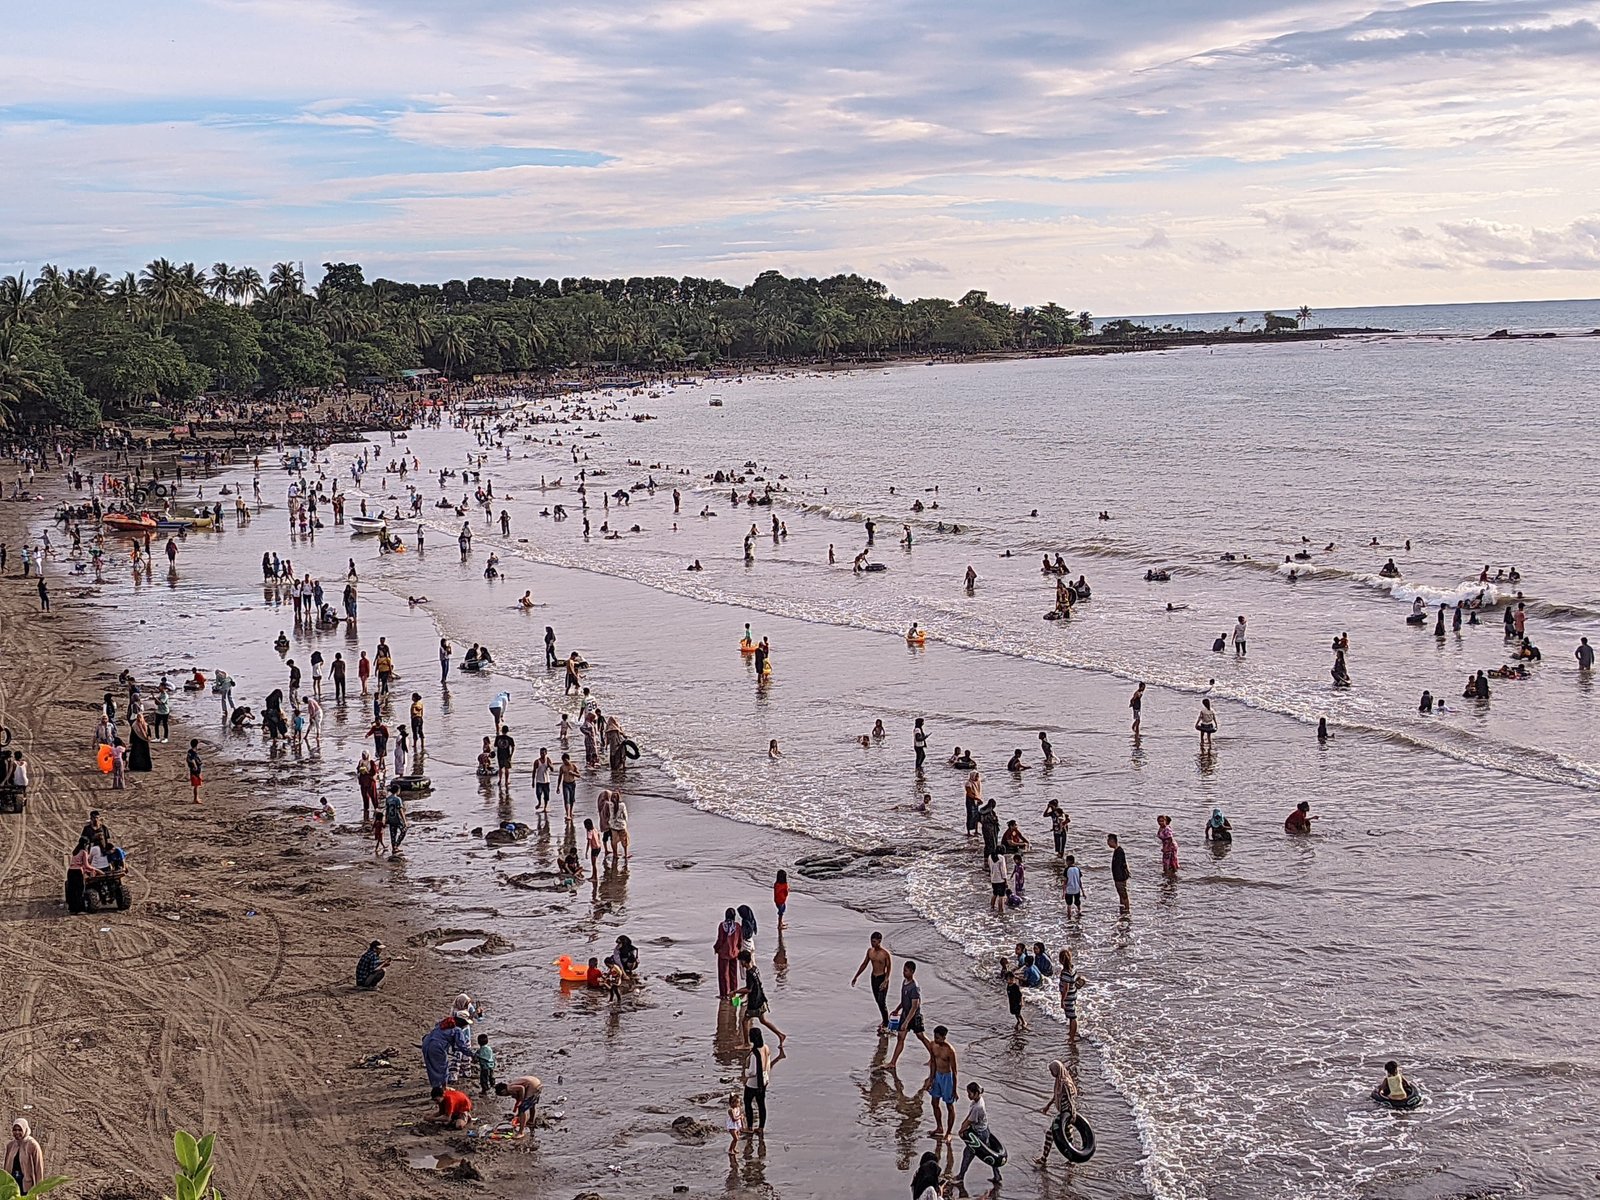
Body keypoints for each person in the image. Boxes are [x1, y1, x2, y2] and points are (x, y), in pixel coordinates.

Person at [954, 1082, 1003, 1191]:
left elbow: (969, 1122)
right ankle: (997, 1175)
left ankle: (961, 1176)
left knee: (968, 1153)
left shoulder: (978, 1107)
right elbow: (969, 1117)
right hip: (984, 1129)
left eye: (970, 1093)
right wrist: (964, 1124)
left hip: (980, 1134)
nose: (968, 1095)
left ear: (976, 1093)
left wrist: (961, 1130)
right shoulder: (978, 1100)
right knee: (992, 1153)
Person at [1036, 1059, 1081, 1165]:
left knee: (1050, 1134)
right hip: (1063, 1113)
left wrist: (1072, 1114)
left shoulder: (1065, 1083)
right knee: (1068, 1136)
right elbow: (1056, 1096)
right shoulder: (1059, 1082)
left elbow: (1070, 1099)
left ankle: (1044, 1158)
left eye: (1052, 1071)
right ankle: (1072, 1159)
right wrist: (1048, 1105)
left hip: (1066, 1113)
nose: (1051, 1073)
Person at [851, 931, 893, 1031]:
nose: (872, 943)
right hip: (873, 978)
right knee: (878, 1001)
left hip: (882, 978)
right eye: (871, 941)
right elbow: (864, 964)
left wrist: (886, 980)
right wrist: (856, 976)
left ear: (879, 941)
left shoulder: (885, 954)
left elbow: (889, 968)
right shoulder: (870, 951)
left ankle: (886, 1024)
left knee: (882, 1001)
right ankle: (884, 1020)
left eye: (874, 941)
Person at [924, 1024, 959, 1140]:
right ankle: (939, 1127)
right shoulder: (933, 1045)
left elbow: (954, 1071)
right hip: (937, 1076)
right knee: (934, 1103)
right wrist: (931, 1079)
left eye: (938, 1037)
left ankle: (949, 1132)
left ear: (944, 1037)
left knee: (949, 1105)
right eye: (935, 1037)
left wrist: (954, 1089)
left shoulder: (950, 1051)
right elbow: (933, 1062)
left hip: (947, 1078)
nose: (935, 1039)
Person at [742, 1027, 774, 1136]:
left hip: (753, 1083)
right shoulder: (766, 1048)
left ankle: (749, 1126)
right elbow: (768, 1064)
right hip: (764, 1080)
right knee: (761, 1104)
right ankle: (761, 1127)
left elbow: (753, 1071)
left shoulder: (754, 1054)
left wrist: (745, 1072)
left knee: (747, 1102)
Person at [5, 1118, 44, 1194]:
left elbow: (38, 1168)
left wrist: (39, 1188)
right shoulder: (11, 1145)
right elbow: (6, 1165)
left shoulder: (32, 1145)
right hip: (12, 1184)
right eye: (15, 1130)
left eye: (20, 1130)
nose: (17, 1132)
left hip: (26, 1185)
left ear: (25, 1130)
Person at [714, 908, 743, 998]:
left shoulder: (722, 926)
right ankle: (733, 991)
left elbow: (720, 940)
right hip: (734, 953)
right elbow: (740, 940)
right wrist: (738, 949)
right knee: (733, 974)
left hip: (724, 953)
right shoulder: (737, 926)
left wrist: (716, 948)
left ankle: (724, 994)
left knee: (723, 974)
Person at [1058, 948, 1085, 1040]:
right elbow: (1077, 978)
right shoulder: (1072, 969)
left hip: (1068, 996)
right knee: (1071, 1015)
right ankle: (1071, 1032)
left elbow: (1066, 988)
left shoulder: (1065, 973)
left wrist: (1062, 1000)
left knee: (1072, 1016)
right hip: (1073, 994)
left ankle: (1072, 1037)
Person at [1108, 833, 1129, 913]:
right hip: (1118, 877)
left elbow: (1122, 865)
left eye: (1108, 841)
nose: (1108, 843)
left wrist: (1121, 877)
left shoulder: (1119, 852)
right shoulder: (1117, 851)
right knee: (1121, 894)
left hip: (1120, 877)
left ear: (1112, 841)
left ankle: (1126, 910)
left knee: (1123, 895)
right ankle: (1123, 909)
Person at [185, 739, 203, 803]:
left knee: (196, 785)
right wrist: (196, 769)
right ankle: (195, 798)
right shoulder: (193, 753)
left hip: (193, 771)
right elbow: (193, 761)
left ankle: (196, 798)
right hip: (195, 771)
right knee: (196, 785)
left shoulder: (190, 752)